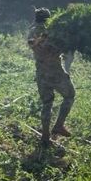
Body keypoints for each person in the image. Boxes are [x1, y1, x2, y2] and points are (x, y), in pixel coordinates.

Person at [28, 8, 75, 144]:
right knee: (70, 95)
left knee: (47, 103)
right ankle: (59, 125)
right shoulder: (52, 31)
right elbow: (58, 47)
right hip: (55, 72)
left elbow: (32, 44)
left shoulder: (32, 30)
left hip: (41, 73)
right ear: (48, 18)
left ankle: (45, 135)